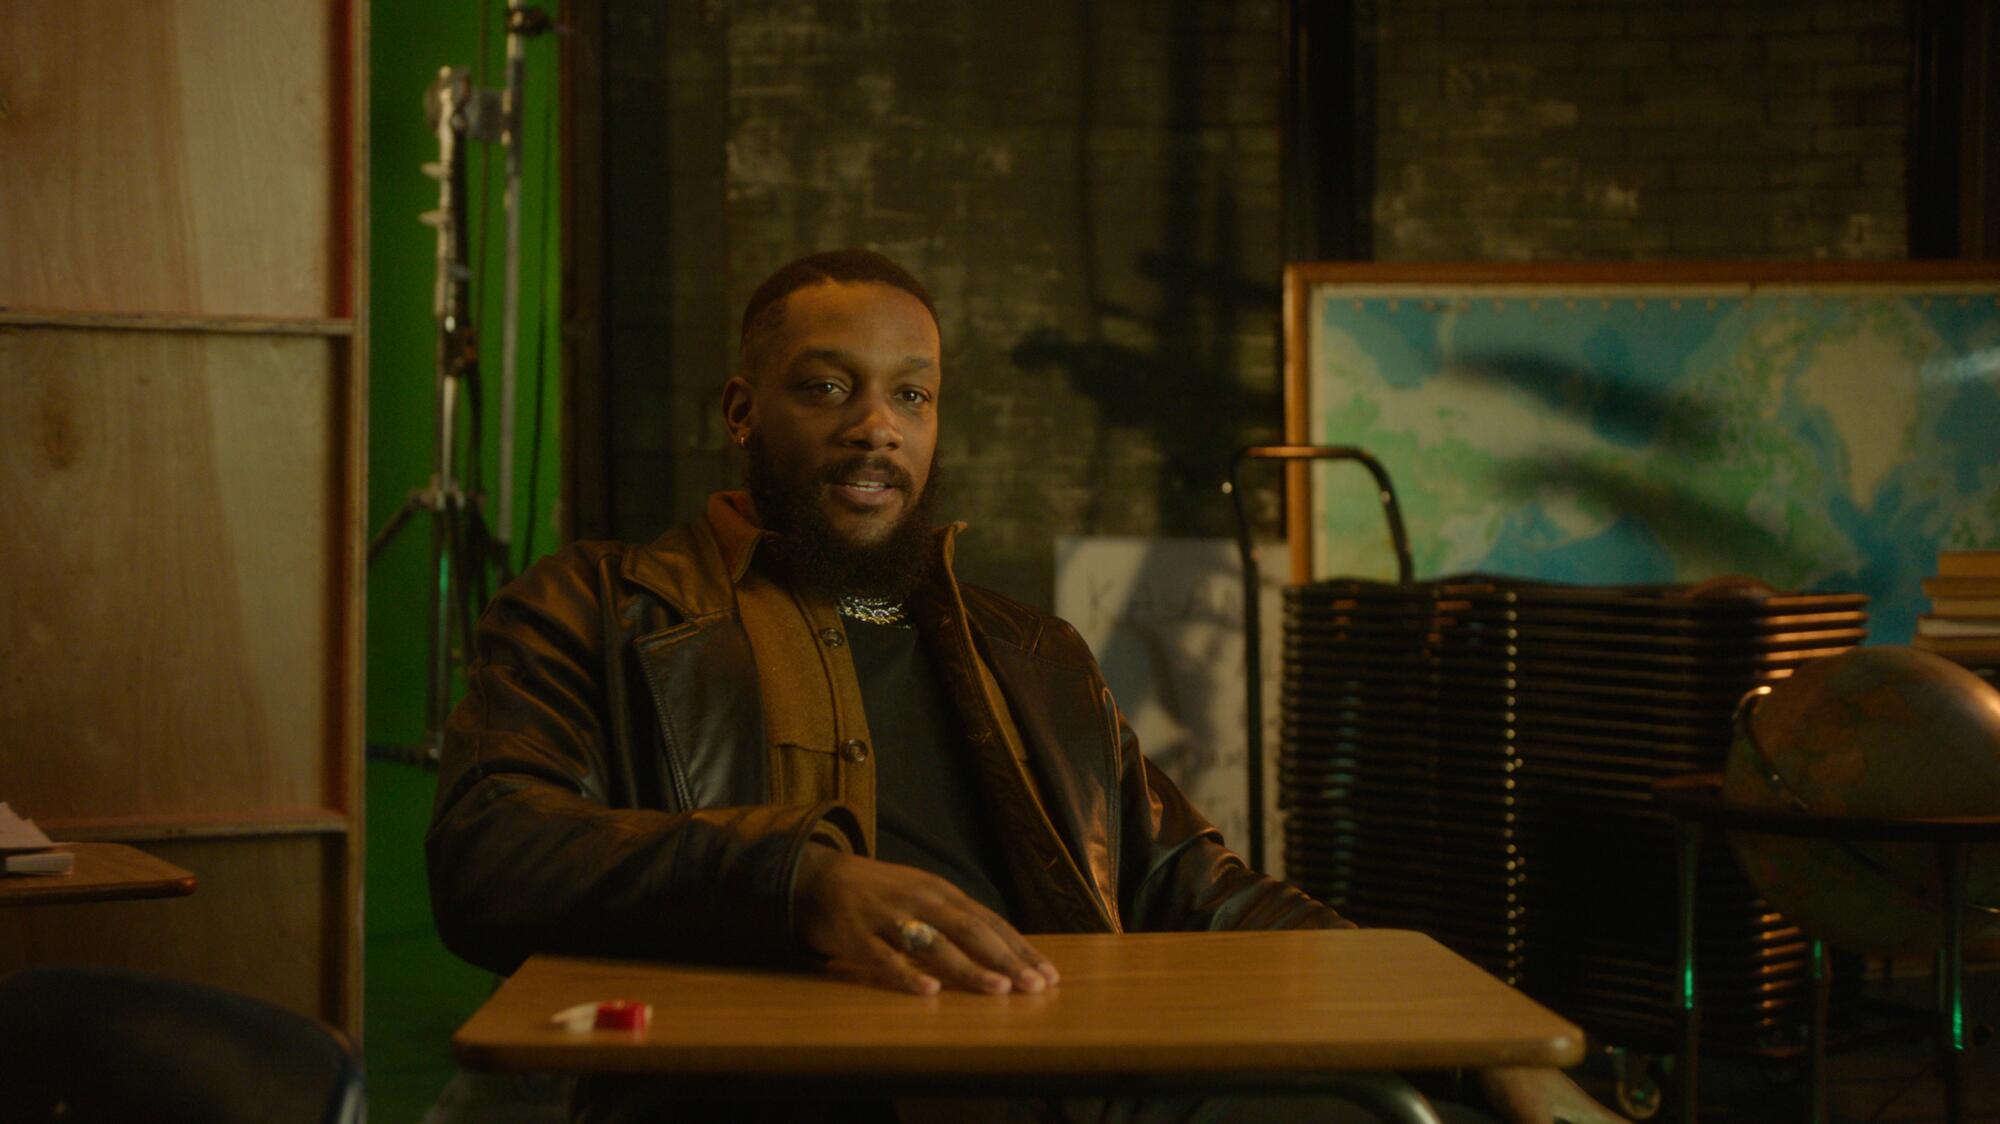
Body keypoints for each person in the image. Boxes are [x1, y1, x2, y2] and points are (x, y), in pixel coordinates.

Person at [426, 249, 1623, 1124]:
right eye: (826, 386)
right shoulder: (594, 606)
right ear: (741, 409)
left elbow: (1200, 891)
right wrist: (794, 880)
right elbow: (486, 852)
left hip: (1068, 1087)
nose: (875, 429)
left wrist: (1481, 1040)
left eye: (909, 394)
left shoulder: (1028, 653)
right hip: (769, 1097)